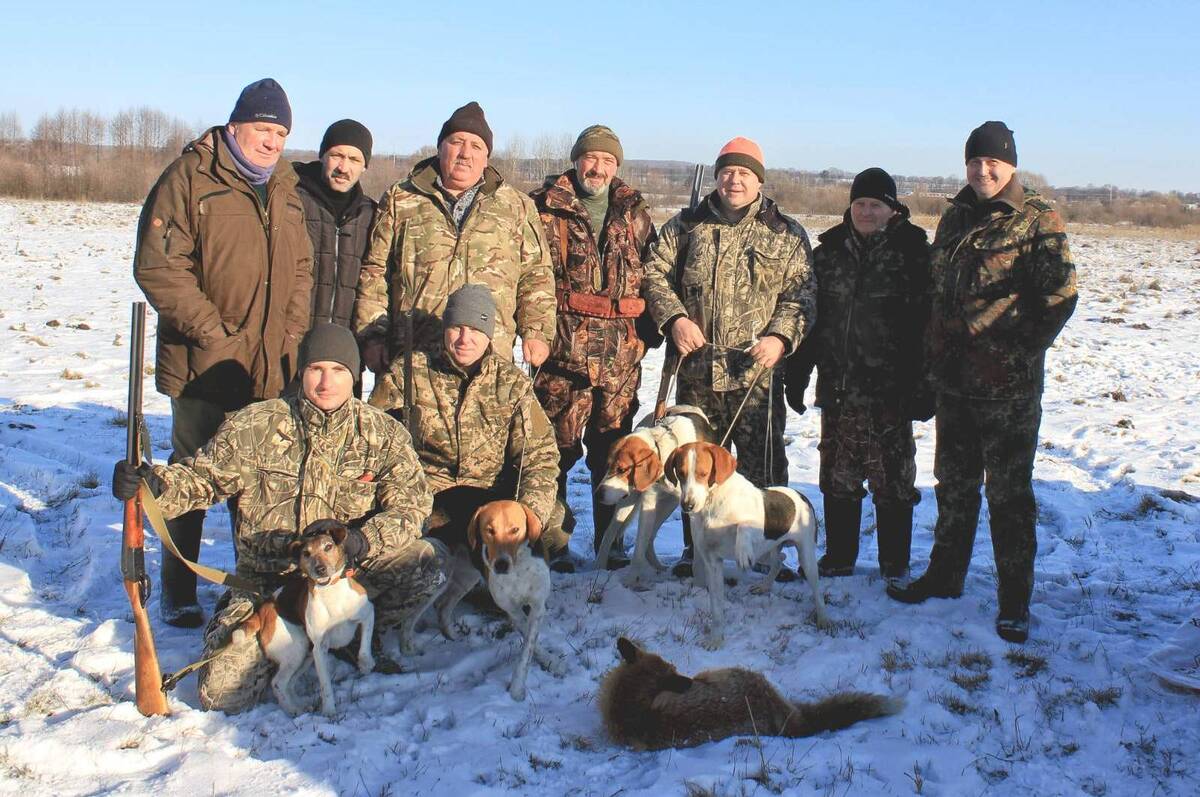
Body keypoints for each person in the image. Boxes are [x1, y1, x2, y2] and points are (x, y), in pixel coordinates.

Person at [111, 323, 443, 713]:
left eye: (338, 371)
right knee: (221, 694)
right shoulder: (256, 425)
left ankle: (350, 640)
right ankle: (292, 644)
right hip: (269, 590)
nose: (326, 382)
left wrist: (360, 541)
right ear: (301, 371)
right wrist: (152, 484)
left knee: (427, 562)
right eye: (316, 369)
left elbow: (412, 508)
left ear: (354, 375)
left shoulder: (382, 433)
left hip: (346, 579)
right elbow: (202, 479)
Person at [887, 122, 1078, 644]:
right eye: (974, 162)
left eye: (992, 162)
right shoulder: (956, 216)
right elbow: (939, 292)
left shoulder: (1038, 219)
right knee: (954, 487)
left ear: (1011, 164)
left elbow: (1061, 296)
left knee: (1009, 497)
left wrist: (1015, 353)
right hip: (954, 385)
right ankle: (946, 576)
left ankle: (1014, 601)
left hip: (1008, 391)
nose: (982, 170)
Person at [133, 78, 314, 627]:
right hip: (202, 367)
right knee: (191, 477)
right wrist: (213, 333)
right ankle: (179, 588)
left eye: (281, 133)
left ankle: (248, 586)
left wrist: (291, 333)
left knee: (256, 482)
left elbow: (302, 269)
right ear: (234, 126)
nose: (272, 142)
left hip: (268, 367)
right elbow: (159, 267)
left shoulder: (284, 187)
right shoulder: (189, 179)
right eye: (263, 129)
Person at [641, 137, 816, 576]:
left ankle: (768, 554)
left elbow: (803, 295)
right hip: (697, 373)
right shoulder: (685, 226)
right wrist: (675, 318)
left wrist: (780, 337)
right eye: (727, 171)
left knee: (764, 468)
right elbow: (654, 274)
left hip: (757, 376)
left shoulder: (786, 233)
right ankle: (697, 552)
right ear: (717, 176)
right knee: (694, 469)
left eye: (744, 173)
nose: (734, 180)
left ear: (759, 179)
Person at [785, 167, 931, 587]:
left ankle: (895, 564)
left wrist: (925, 386)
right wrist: (798, 372)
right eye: (860, 204)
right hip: (840, 386)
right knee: (838, 475)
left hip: (893, 391)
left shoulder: (914, 252)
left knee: (894, 480)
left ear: (892, 209)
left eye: (876, 205)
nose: (867, 211)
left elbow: (928, 324)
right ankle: (840, 557)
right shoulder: (828, 253)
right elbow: (813, 320)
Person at [528, 125, 658, 572]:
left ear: (616, 166)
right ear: (576, 160)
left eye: (607, 161)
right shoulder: (543, 209)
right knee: (554, 454)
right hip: (561, 358)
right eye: (590, 158)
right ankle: (554, 543)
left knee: (613, 455)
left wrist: (658, 328)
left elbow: (656, 274)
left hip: (621, 361)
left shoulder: (634, 212)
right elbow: (527, 276)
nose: (597, 168)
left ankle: (611, 545)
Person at [354, 102, 554, 373]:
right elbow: (375, 272)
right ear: (440, 147)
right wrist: (373, 335)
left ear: (487, 157)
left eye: (476, 146)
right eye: (456, 142)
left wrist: (537, 331)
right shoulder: (401, 199)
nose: (465, 153)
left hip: (487, 362)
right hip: (413, 360)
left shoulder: (516, 206)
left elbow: (536, 274)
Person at [368, 285, 560, 546]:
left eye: (476, 330)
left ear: (489, 334)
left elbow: (540, 457)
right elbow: (373, 440)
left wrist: (528, 512)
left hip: (490, 502)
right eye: (457, 327)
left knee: (556, 521)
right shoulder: (408, 372)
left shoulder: (512, 383)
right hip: (427, 497)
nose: (464, 339)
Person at [295, 119, 377, 332]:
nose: (343, 168)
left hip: (344, 348)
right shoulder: (293, 203)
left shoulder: (371, 215)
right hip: (294, 340)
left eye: (354, 159)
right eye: (336, 155)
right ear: (322, 156)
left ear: (365, 166)